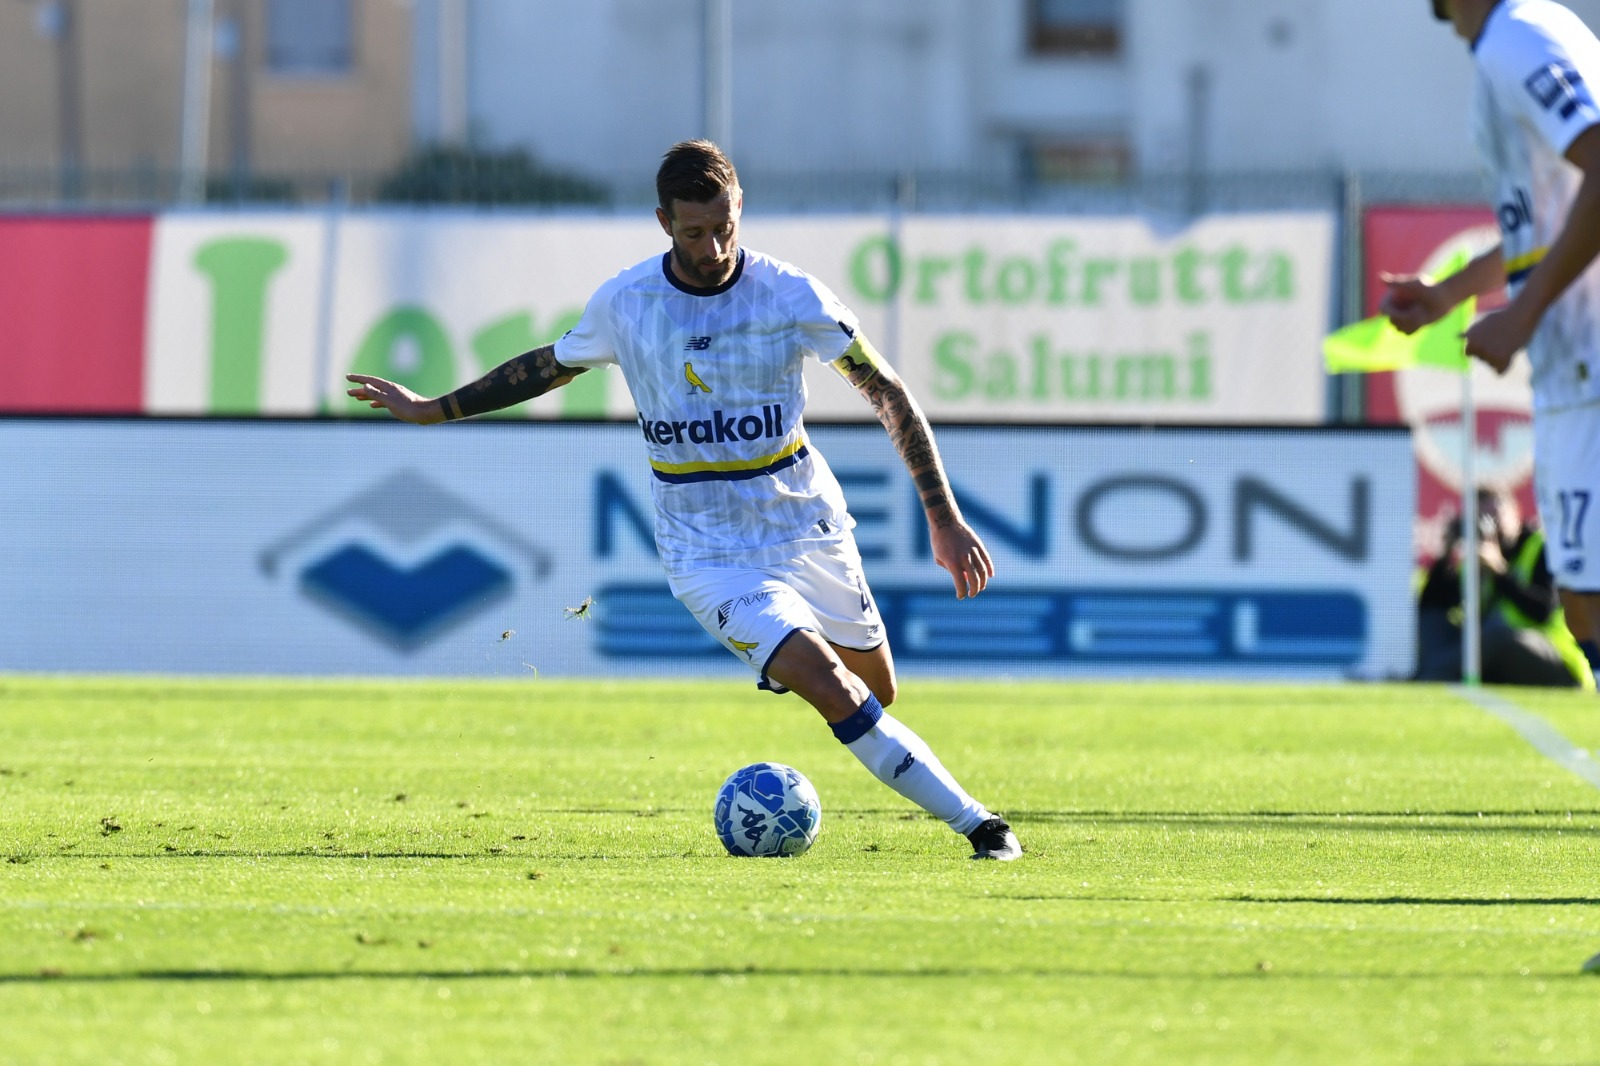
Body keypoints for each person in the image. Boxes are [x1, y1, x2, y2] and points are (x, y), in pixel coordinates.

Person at [347, 140, 1021, 861]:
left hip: (805, 522)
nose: (714, 246)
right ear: (664, 222)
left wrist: (942, 517)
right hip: (707, 550)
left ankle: (789, 658)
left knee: (875, 690)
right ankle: (984, 828)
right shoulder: (627, 302)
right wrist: (434, 410)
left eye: (725, 225)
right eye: (695, 232)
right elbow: (546, 367)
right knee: (827, 685)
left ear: (740, 210)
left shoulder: (792, 295)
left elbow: (887, 393)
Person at [1383, 0, 1600, 690]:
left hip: (1589, 361)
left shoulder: (1520, 38)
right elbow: (1544, 223)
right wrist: (1450, 293)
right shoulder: (1508, 41)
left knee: (1589, 592)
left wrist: (1523, 314)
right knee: (1584, 596)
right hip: (1574, 369)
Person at [1415, 488, 1593, 686]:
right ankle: (1432, 674)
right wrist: (1449, 558)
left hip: (1553, 656)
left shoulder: (1540, 548)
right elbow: (1430, 606)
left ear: (1515, 514)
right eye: (1481, 521)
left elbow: (1543, 611)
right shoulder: (1475, 556)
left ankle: (1429, 679)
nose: (1492, 528)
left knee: (1499, 637)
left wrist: (1499, 571)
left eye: (1496, 517)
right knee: (1434, 623)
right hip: (1496, 654)